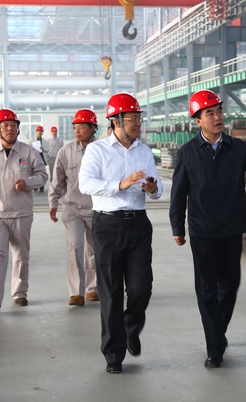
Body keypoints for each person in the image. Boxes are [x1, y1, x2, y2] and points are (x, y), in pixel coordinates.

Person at [169, 89, 246, 368]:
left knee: (229, 286)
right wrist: (177, 226)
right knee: (206, 290)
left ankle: (217, 332)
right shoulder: (188, 153)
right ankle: (214, 347)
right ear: (198, 120)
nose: (218, 117)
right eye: (210, 113)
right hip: (202, 230)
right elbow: (178, 192)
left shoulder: (236, 148)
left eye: (219, 111)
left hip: (231, 229)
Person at [79, 92, 163, 374]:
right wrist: (119, 184)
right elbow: (85, 184)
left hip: (138, 225)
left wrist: (153, 188)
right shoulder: (97, 150)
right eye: (132, 118)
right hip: (108, 226)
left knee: (141, 288)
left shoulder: (144, 151)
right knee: (111, 291)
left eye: (139, 118)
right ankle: (113, 353)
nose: (138, 123)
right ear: (116, 121)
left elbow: (157, 188)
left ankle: (130, 327)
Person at [0, 108, 48, 313]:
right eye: (5, 125)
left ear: (18, 129)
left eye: (13, 125)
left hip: (21, 213)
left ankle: (20, 293)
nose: (10, 129)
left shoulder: (28, 152)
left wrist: (28, 182)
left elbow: (42, 175)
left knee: (21, 255)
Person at [48, 109, 99, 307]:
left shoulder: (102, 150)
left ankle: (92, 288)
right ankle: (76, 292)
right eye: (75, 127)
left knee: (95, 249)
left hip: (97, 208)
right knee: (75, 247)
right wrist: (53, 202)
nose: (77, 131)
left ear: (93, 128)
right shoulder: (65, 151)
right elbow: (57, 180)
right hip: (72, 208)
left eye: (82, 127)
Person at [30, 125, 48, 191]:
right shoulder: (31, 140)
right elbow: (28, 149)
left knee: (42, 173)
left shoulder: (45, 141)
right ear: (36, 132)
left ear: (42, 132)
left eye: (41, 131)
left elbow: (48, 149)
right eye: (38, 131)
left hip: (42, 159)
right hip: (34, 159)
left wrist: (43, 149)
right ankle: (35, 186)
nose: (39, 132)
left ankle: (41, 187)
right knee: (34, 173)